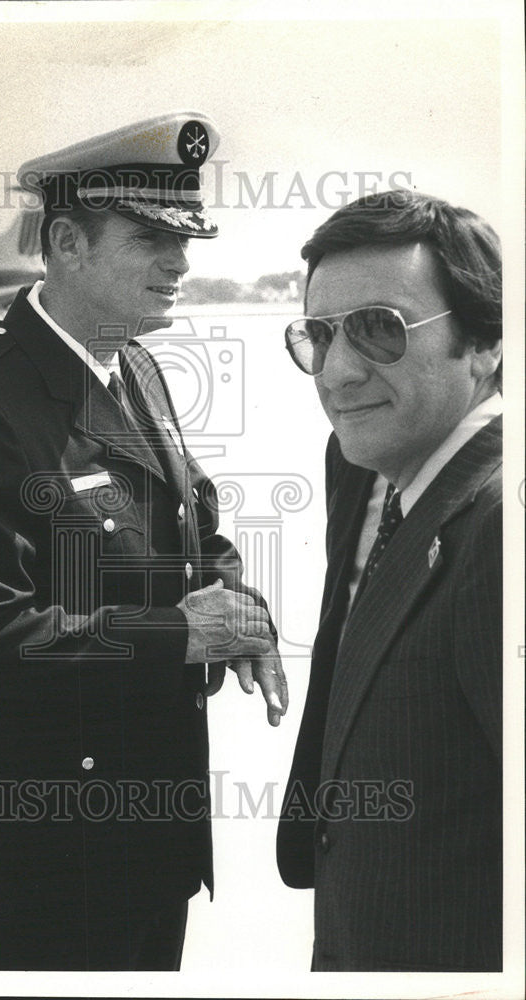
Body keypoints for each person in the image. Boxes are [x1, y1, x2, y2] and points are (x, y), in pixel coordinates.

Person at [0, 111, 287, 971]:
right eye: (152, 238)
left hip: (151, 839)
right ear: (68, 242)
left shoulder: (135, 363)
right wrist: (183, 634)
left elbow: (193, 525)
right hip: (46, 857)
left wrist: (241, 608)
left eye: (185, 239)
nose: (181, 262)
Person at [276, 189, 502, 971]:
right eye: (318, 335)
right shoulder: (383, 472)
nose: (336, 372)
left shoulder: (500, 527)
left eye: (378, 329)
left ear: (483, 342)